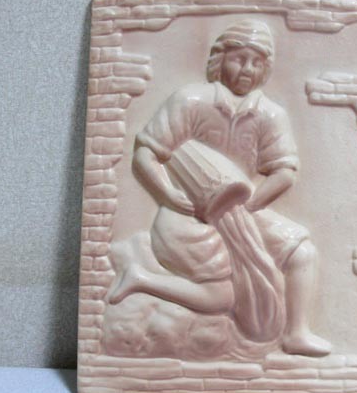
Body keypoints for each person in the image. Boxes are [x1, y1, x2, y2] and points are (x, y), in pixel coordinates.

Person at [109, 19, 331, 357]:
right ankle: (140, 278)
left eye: (257, 62)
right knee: (222, 298)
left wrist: (248, 207)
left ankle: (297, 333)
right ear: (219, 59)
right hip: (187, 215)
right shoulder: (190, 100)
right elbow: (146, 153)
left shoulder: (270, 114)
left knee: (303, 252)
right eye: (239, 59)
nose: (247, 69)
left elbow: (284, 171)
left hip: (242, 208)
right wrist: (168, 194)